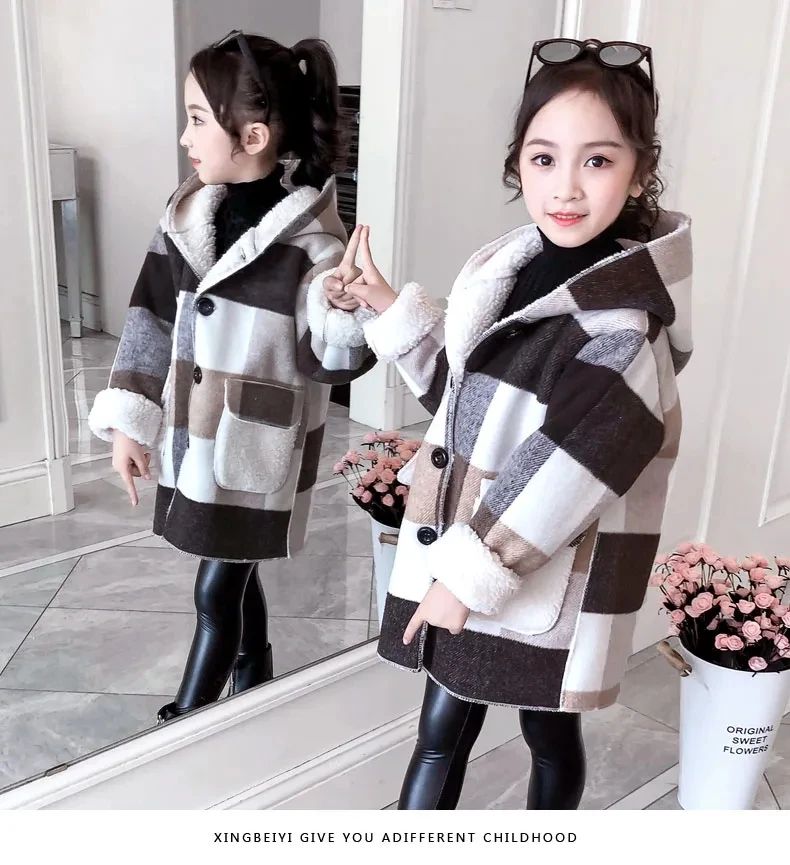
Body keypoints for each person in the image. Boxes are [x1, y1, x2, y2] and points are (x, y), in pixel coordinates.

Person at [324, 38, 692, 809]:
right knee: (442, 728)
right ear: (517, 164)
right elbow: (467, 404)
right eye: (543, 158)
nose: (566, 186)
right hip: (479, 555)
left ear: (639, 170)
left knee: (546, 732)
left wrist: (469, 574)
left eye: (598, 160)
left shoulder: (623, 324)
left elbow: (569, 466)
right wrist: (387, 307)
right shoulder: (510, 271)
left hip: (537, 572)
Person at [89, 30, 374, 724]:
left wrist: (343, 312)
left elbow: (332, 363)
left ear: (251, 136)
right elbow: (150, 318)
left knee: (215, 589)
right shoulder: (186, 216)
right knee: (232, 567)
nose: (184, 136)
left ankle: (189, 719)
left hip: (253, 446)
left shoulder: (314, 244)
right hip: (194, 434)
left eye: (196, 119)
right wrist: (129, 420)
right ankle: (255, 672)